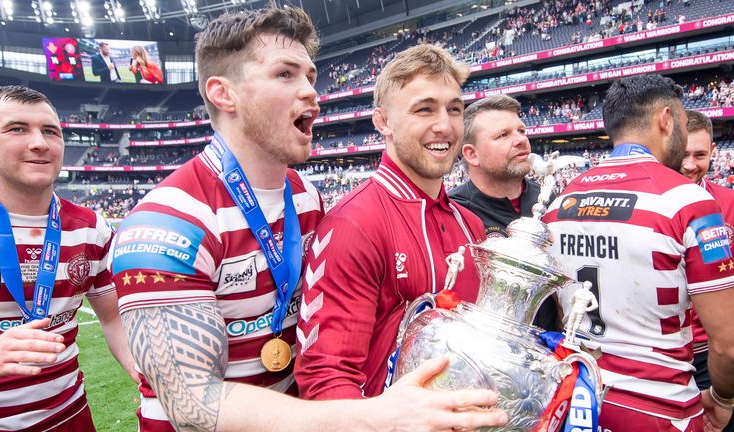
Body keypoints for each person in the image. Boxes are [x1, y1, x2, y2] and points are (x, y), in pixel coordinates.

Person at [109, 8, 507, 432]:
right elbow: (192, 403)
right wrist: (373, 416)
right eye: (285, 75)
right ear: (224, 94)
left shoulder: (305, 200)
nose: (311, 93)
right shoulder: (166, 223)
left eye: (310, 77)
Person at [543, 74, 734, 431]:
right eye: (685, 126)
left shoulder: (559, 203)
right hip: (661, 407)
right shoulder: (687, 200)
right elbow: (733, 351)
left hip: (581, 401)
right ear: (666, 119)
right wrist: (722, 401)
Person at [294, 44, 487, 400]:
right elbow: (326, 378)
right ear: (383, 122)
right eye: (424, 110)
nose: (444, 125)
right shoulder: (353, 223)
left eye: (455, 109)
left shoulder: (470, 225)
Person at [0, 85, 138, 431]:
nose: (40, 142)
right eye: (17, 129)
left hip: (70, 418)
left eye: (50, 131)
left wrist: (143, 371)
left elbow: (114, 318)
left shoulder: (91, 228)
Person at [449, 94, 560, 330]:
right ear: (471, 154)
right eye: (503, 135)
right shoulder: (453, 212)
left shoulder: (552, 202)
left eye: (521, 130)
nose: (521, 140)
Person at [680, 109, 734, 432]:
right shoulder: (651, 204)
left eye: (699, 154)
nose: (690, 164)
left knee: (729, 422)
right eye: (683, 154)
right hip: (670, 352)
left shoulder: (732, 202)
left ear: (713, 153)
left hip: (715, 349)